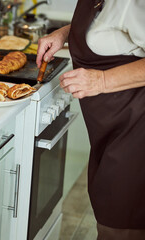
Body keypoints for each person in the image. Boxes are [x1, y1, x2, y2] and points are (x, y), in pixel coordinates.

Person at [36, 0, 145, 239]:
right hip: (111, 125)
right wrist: (64, 33)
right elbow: (108, 26)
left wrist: (101, 81)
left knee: (120, 222)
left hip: (137, 129)